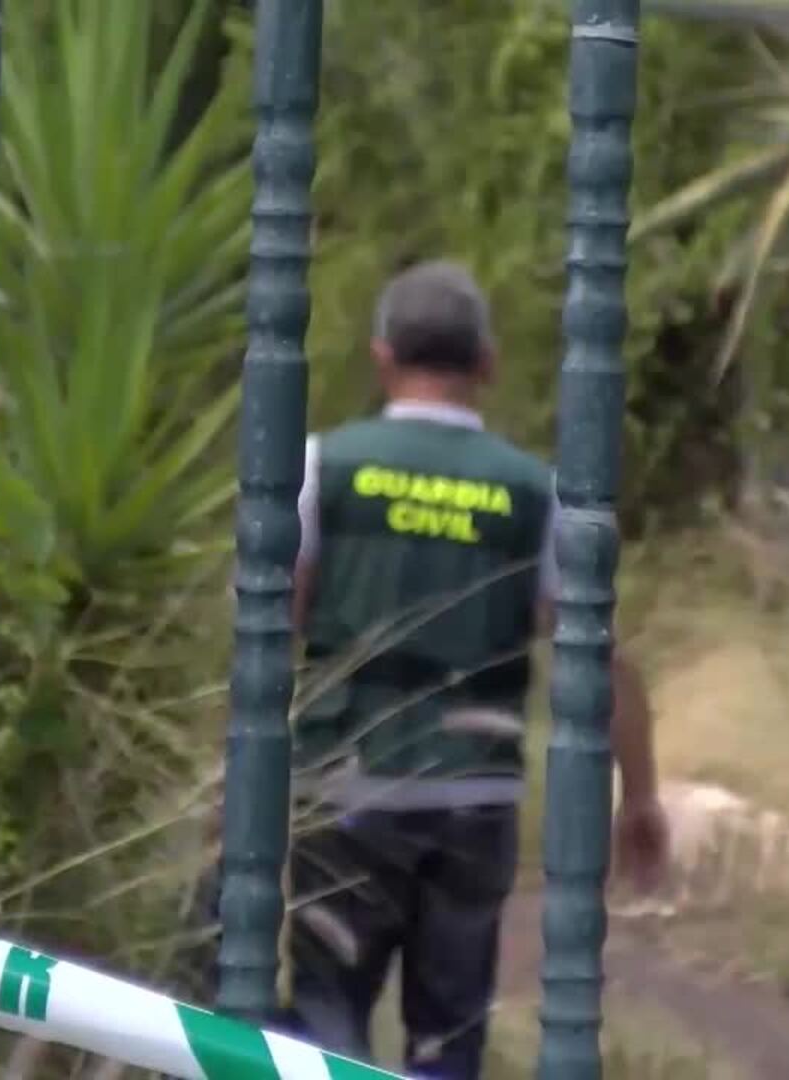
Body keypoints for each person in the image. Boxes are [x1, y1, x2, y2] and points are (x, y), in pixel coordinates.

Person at [283, 260, 668, 1078]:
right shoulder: (539, 494)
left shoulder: (323, 467)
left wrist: (236, 778)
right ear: (487, 366)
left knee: (323, 1020)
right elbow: (602, 657)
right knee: (447, 1037)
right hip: (474, 801)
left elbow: (268, 632)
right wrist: (640, 796)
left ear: (381, 357)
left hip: (339, 793)